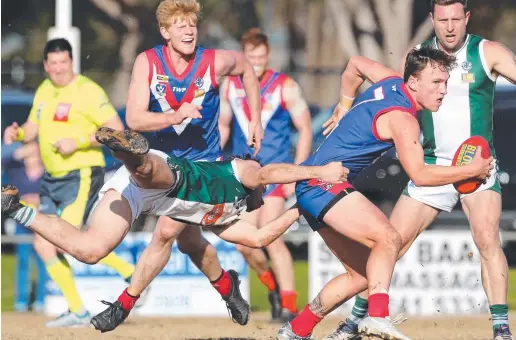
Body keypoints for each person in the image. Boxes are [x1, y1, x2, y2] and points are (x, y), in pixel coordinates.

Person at [1, 126, 349, 332]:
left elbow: (259, 237)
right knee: (153, 176)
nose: (265, 196)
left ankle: (14, 209)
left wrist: (299, 208)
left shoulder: (231, 217)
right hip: (161, 177)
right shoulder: (244, 173)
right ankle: (126, 150)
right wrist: (319, 174)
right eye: (264, 195)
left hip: (160, 199)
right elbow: (268, 174)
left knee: (90, 252)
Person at [324, 1, 516, 340]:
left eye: (457, 18)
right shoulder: (417, 57)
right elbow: (395, 103)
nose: (451, 26)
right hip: (429, 168)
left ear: (467, 18)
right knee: (390, 243)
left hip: (476, 165)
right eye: (443, 20)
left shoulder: (489, 53)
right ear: (432, 20)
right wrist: (346, 109)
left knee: (487, 238)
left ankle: (501, 329)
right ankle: (354, 322)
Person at [275, 47, 494, 340]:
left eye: (445, 82)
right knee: (388, 238)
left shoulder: (390, 81)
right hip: (322, 184)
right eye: (436, 83)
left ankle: (296, 330)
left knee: (363, 275)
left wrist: (343, 104)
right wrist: (470, 171)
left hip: (311, 183)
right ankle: (378, 316)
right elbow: (420, 175)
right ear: (413, 82)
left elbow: (354, 65)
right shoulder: (403, 119)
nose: (443, 90)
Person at [122, 0, 263, 326]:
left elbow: (246, 68)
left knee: (165, 232)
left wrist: (255, 120)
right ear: (165, 31)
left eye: (192, 24)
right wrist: (175, 115)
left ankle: (125, 302)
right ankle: (228, 287)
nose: (188, 30)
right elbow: (133, 118)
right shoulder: (149, 62)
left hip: (205, 167)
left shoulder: (214, 61)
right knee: (189, 243)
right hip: (170, 166)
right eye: (180, 25)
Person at [2, 38, 137, 327]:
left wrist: (77, 142)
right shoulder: (44, 89)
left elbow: (118, 129)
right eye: (53, 64)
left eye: (64, 63)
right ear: (46, 65)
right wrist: (19, 133)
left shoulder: (88, 90)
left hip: (82, 174)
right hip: (52, 178)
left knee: (65, 241)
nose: (59, 69)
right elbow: (32, 126)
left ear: (72, 62)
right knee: (44, 244)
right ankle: (77, 310)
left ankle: (130, 272)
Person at [219, 28, 312, 322]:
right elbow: (223, 125)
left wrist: (296, 174)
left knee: (272, 238)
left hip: (274, 173)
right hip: (242, 173)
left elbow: (306, 129)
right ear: (242, 57)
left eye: (261, 57)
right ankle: (271, 287)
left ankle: (288, 304)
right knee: (242, 243)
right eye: (251, 58)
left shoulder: (285, 86)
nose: (256, 63)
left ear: (268, 55)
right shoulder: (230, 86)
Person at [1, 141, 48, 312]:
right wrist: (15, 153)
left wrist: (39, 199)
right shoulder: (16, 171)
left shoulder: (48, 173)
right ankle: (20, 301)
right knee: (22, 261)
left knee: (44, 261)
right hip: (21, 223)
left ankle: (41, 300)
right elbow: (2, 161)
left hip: (43, 223)